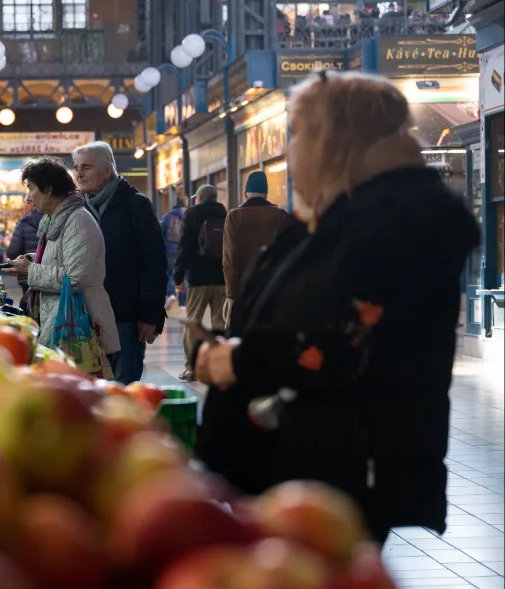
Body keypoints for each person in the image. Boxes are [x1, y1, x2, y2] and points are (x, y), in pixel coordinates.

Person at [193, 71, 480, 545]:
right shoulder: (335, 217)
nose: (291, 148)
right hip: (295, 465)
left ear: (335, 138)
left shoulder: (399, 224)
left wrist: (241, 360)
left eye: (298, 132)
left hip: (337, 477)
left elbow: (359, 339)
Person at [4, 156, 120, 362]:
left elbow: (75, 278)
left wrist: (30, 270)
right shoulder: (55, 219)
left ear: (48, 189)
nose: (28, 198)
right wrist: (33, 259)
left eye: (31, 189)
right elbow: (64, 257)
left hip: (79, 325)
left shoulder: (78, 221)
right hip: (60, 318)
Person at [72, 141, 167, 384]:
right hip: (86, 317)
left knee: (123, 388)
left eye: (86, 167)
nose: (79, 173)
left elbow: (153, 263)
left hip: (125, 316)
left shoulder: (136, 204)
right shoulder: (77, 208)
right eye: (76, 167)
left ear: (108, 170)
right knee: (90, 389)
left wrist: (150, 314)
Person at [173, 184, 227, 381]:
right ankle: (220, 366)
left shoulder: (191, 215)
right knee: (220, 324)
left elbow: (184, 247)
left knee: (193, 323)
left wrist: (178, 277)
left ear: (199, 198)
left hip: (198, 278)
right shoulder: (225, 214)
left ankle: (191, 368)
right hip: (221, 278)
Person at [222, 171, 290, 322]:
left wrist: (231, 293)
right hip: (273, 287)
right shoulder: (281, 215)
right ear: (266, 194)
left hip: (244, 290)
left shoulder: (234, 216)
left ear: (245, 194)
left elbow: (229, 259)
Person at [5, 203, 44, 314]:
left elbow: (13, 251)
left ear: (31, 205)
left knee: (30, 305)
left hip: (28, 274)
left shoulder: (23, 223)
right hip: (48, 271)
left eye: (25, 204)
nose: (22, 207)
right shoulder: (51, 219)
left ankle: (34, 327)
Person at [160, 193, 187, 310]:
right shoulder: (189, 215)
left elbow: (160, 232)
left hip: (170, 248)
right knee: (183, 275)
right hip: (184, 248)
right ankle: (183, 303)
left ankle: (171, 294)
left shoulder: (168, 216)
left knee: (170, 273)